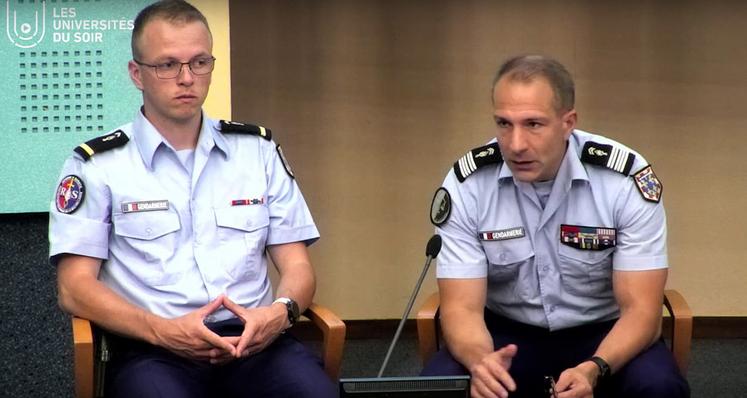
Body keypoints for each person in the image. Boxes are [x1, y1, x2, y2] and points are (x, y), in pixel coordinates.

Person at [48, 1, 335, 397]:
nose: (186, 78)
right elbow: (74, 287)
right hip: (154, 348)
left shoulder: (258, 151)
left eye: (199, 62)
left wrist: (279, 313)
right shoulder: (97, 166)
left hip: (255, 344)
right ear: (137, 74)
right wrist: (161, 331)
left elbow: (298, 265)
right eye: (167, 65)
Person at [422, 55, 689, 398]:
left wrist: (594, 368)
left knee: (658, 387)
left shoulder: (623, 180)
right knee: (442, 385)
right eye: (504, 124)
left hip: (604, 334)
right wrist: (481, 362)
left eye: (533, 124)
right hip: (505, 336)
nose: (516, 144)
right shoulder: (469, 183)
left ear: (568, 122)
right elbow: (461, 307)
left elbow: (642, 311)